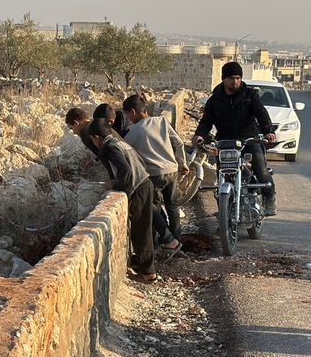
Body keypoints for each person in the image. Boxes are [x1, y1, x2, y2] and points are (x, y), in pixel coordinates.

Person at [88, 119, 181, 282]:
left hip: (139, 188)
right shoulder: (118, 142)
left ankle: (149, 273)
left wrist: (115, 184)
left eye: (92, 140)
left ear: (96, 137)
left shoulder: (111, 147)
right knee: (144, 228)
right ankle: (146, 263)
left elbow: (125, 170)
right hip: (145, 183)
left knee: (141, 232)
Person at [192, 61, 278, 215]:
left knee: (260, 170)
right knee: (222, 177)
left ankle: (269, 197)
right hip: (225, 143)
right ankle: (224, 214)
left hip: (249, 140)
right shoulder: (214, 100)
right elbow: (206, 121)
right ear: (224, 79)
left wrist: (268, 131)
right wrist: (199, 135)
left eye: (238, 78)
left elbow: (261, 114)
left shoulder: (250, 95)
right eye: (231, 78)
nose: (235, 81)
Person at [122, 93, 189, 239]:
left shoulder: (134, 131)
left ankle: (163, 240)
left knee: (153, 207)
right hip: (171, 170)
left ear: (133, 112)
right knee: (172, 206)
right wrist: (182, 163)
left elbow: (123, 150)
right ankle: (177, 238)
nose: (128, 119)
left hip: (154, 174)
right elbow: (178, 143)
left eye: (128, 115)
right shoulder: (162, 121)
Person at [65, 107, 122, 178]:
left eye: (71, 128)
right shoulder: (97, 123)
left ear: (76, 123)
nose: (73, 132)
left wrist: (112, 179)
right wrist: (95, 160)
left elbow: (104, 157)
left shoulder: (86, 133)